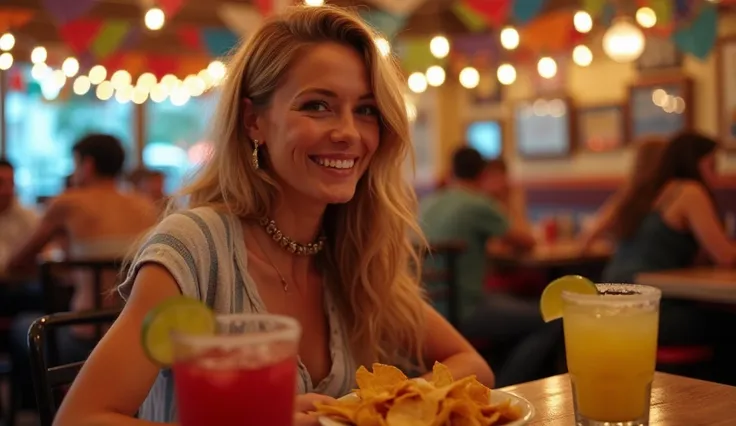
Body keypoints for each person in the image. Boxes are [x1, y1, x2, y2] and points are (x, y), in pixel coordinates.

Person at [54, 6, 492, 426]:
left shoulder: (353, 248)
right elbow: (79, 419)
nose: (348, 133)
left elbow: (473, 366)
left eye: (366, 110)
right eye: (317, 105)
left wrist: (384, 407)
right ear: (253, 122)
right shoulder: (195, 247)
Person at [7, 134, 158, 410]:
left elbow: (18, 261)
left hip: (84, 335)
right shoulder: (145, 204)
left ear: (86, 165)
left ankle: (42, 409)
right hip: (137, 337)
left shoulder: (69, 202)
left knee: (21, 327)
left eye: (74, 164)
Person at [598, 132, 736, 355]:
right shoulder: (689, 191)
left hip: (610, 304)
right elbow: (726, 256)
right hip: (648, 309)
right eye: (712, 164)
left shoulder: (645, 191)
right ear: (695, 162)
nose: (717, 175)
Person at [579, 137, 668, 252]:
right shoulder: (673, 194)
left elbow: (589, 236)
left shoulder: (627, 197)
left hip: (620, 266)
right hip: (659, 268)